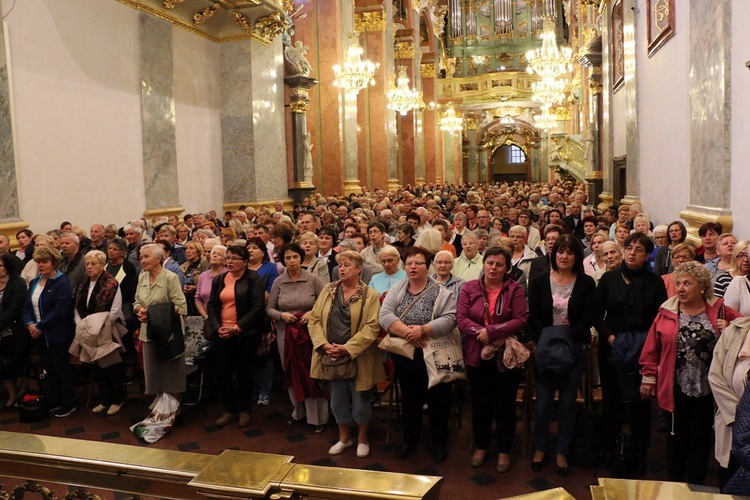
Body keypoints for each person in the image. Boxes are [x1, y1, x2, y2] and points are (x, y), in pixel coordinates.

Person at [640, 261, 740, 485]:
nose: (681, 288)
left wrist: (730, 328)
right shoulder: (667, 312)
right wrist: (648, 376)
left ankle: (696, 486)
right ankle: (675, 485)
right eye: (678, 283)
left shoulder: (720, 309)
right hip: (675, 386)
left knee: (701, 439)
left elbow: (745, 326)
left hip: (709, 389)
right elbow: (651, 348)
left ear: (702, 287)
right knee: (676, 438)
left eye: (687, 283)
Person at [596, 232, 668, 473]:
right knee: (612, 403)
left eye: (639, 249)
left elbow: (660, 318)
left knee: (639, 406)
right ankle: (609, 452)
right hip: (611, 348)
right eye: (629, 247)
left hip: (642, 350)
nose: (632, 252)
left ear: (647, 255)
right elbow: (596, 314)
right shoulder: (609, 279)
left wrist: (646, 345)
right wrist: (611, 338)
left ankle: (638, 457)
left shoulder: (654, 282)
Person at [379, 246, 457, 463]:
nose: (413, 267)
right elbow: (385, 315)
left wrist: (423, 330)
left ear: (427, 266)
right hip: (406, 355)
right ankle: (409, 440)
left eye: (418, 263)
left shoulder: (441, 291)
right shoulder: (398, 288)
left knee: (438, 401)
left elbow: (451, 318)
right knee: (410, 401)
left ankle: (439, 443)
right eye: (409, 263)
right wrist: (409, 333)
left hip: (434, 354)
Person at [528, 235, 596, 476]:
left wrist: (568, 339)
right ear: (553, 254)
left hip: (574, 348)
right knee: (544, 404)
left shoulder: (586, 283)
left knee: (567, 404)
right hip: (545, 350)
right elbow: (533, 314)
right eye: (560, 252)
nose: (564, 256)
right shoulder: (538, 281)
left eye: (569, 252)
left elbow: (589, 315)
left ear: (576, 256)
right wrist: (544, 339)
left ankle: (562, 450)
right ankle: (540, 448)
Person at [309, 251, 385, 458]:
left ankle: (362, 439)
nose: (341, 269)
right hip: (331, 356)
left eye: (347, 265)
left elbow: (372, 327)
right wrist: (323, 344)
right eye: (340, 265)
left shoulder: (369, 295)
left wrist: (348, 348)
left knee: (361, 403)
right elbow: (315, 319)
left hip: (358, 356)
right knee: (337, 401)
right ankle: (344, 438)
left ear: (359, 269)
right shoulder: (328, 290)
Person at [457, 246, 527, 472]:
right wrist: (484, 334)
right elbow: (461, 319)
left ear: (507, 268)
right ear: (483, 264)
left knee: (506, 405)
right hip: (477, 354)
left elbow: (520, 320)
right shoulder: (469, 288)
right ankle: (482, 446)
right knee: (480, 404)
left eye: (499, 264)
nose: (493, 268)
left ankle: (504, 451)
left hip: (505, 357)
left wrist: (494, 332)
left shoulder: (515, 289)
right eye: (490, 263)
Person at [266, 243, 328, 432]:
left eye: (295, 257)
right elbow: (269, 308)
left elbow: (326, 303)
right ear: (282, 261)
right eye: (287, 258)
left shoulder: (313, 279)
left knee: (312, 373)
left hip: (310, 333)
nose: (292, 261)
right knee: (291, 371)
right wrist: (281, 316)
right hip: (286, 333)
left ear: (301, 258)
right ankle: (298, 411)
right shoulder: (279, 281)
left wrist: (312, 313)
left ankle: (318, 417)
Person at [207, 245, 268, 427]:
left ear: (245, 262)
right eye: (228, 258)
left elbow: (257, 307)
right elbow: (211, 305)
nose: (230, 262)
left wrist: (237, 327)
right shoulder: (219, 280)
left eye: (234, 258)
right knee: (222, 372)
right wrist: (218, 327)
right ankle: (230, 409)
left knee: (243, 372)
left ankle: (244, 410)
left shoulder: (253, 279)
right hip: (222, 333)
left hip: (245, 334)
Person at [22, 247, 76, 417]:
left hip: (58, 334)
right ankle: (54, 401)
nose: (40, 265)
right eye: (38, 262)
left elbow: (61, 310)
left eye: (44, 262)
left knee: (61, 369)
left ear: (54, 263)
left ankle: (69, 403)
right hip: (39, 335)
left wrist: (40, 326)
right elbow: (27, 307)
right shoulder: (34, 282)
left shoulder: (61, 282)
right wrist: (30, 323)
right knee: (49, 370)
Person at [133, 243, 188, 405]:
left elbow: (181, 307)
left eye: (146, 256)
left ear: (158, 258)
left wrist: (153, 313)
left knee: (171, 372)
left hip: (168, 333)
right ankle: (160, 402)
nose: (142, 260)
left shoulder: (170, 278)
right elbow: (136, 301)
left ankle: (174, 405)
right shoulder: (142, 277)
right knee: (154, 370)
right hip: (148, 332)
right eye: (141, 257)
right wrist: (140, 310)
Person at [73, 250, 126, 416]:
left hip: (106, 330)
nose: (89, 267)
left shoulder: (111, 283)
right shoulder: (83, 283)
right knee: (97, 366)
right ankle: (105, 399)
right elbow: (76, 306)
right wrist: (81, 324)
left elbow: (115, 311)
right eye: (87, 264)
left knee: (111, 366)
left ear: (102, 265)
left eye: (93, 263)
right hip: (87, 332)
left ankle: (117, 400)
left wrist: (97, 328)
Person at [709, 315, 750, 491]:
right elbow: (715, 375)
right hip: (730, 422)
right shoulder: (735, 330)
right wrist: (741, 416)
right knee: (729, 482)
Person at [246, 236, 279, 406]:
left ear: (263, 251)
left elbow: (270, 293)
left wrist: (248, 299)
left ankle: (264, 391)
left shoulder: (269, 268)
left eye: (255, 247)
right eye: (249, 247)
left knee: (264, 357)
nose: (251, 250)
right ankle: (251, 389)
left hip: (262, 316)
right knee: (248, 356)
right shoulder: (242, 268)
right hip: (244, 319)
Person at [0, 253, 27, 410]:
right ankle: (11, 394)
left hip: (15, 332)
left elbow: (15, 309)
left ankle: (21, 394)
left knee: (18, 365)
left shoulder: (18, 283)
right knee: (2, 367)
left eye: (0, 266)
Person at [195, 245, 227, 320]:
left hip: (224, 318)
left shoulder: (228, 274)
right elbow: (198, 298)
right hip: (207, 318)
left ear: (225, 260)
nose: (215, 256)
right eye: (213, 253)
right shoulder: (203, 276)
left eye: (219, 254)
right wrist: (206, 316)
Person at [180, 241, 208, 317]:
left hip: (201, 300)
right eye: (186, 249)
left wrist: (196, 288)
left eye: (191, 248)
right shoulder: (183, 266)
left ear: (198, 251)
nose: (188, 251)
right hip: (187, 300)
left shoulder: (205, 265)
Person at [722, 241, 750, 315]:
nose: (746, 260)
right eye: (741, 255)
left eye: (748, 256)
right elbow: (727, 315)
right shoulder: (736, 280)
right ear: (735, 257)